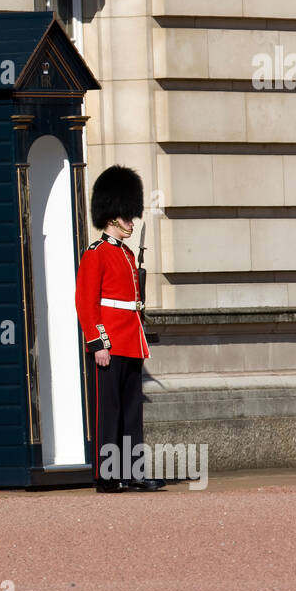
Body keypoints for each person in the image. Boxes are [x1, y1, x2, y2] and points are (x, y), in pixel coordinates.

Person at [75, 165, 165, 494]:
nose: (131, 223)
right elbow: (86, 303)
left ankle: (133, 471)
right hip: (109, 343)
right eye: (126, 217)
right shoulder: (95, 254)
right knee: (108, 411)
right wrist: (98, 343)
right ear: (111, 217)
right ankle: (108, 475)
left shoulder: (127, 254)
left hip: (130, 339)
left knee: (131, 412)